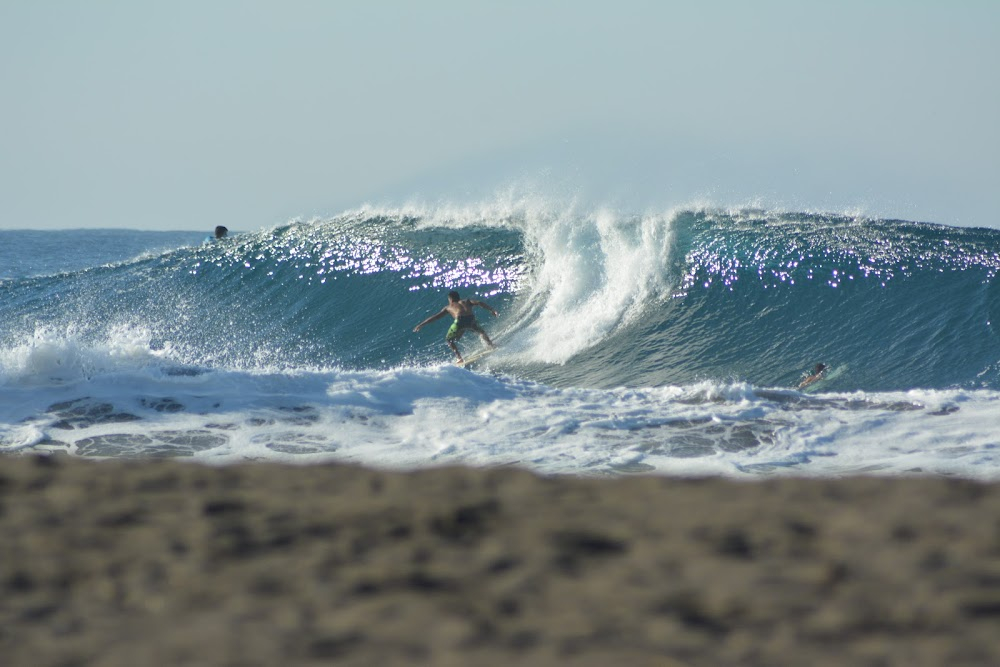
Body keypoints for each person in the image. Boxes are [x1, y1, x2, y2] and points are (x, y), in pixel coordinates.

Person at [413, 291, 498, 363]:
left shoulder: (448, 307)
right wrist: (492, 310)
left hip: (459, 321)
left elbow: (435, 317)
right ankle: (491, 345)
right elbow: (479, 302)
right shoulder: (467, 301)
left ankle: (459, 358)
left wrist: (421, 324)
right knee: (481, 332)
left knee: (449, 340)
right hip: (471, 319)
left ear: (450, 299)